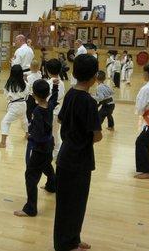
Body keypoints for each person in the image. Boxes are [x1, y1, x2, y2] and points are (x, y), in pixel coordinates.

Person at [54, 54, 102, 251]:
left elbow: (60, 120)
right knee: (74, 203)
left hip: (66, 155)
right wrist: (83, 138)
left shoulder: (71, 94)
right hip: (79, 158)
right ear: (93, 77)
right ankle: (65, 244)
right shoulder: (89, 102)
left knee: (70, 203)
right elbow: (97, 136)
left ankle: (73, 239)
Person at [14, 79, 59, 217]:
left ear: (33, 95)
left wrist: (31, 137)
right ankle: (52, 185)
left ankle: (30, 208)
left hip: (40, 146)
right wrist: (56, 86)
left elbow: (38, 133)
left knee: (31, 176)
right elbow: (54, 97)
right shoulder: (50, 105)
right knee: (46, 164)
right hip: (49, 144)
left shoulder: (37, 111)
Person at [0, 65, 29, 148]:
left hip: (14, 106)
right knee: (24, 119)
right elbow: (27, 93)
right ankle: (27, 134)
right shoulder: (25, 83)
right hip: (23, 104)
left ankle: (3, 143)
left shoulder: (9, 84)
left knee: (5, 122)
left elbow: (6, 95)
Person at [45, 59, 66, 157]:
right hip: (58, 111)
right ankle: (56, 150)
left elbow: (47, 98)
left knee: (52, 133)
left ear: (48, 71)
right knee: (54, 132)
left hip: (51, 111)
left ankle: (56, 152)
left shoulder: (50, 83)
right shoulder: (61, 82)